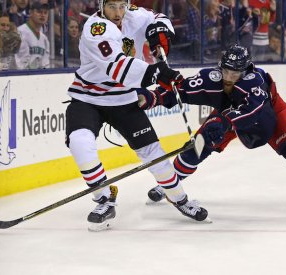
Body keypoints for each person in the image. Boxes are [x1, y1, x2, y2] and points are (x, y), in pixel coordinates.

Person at [138, 45, 286, 220]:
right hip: (228, 116)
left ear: (246, 70)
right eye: (226, 70)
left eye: (235, 72)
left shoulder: (255, 82)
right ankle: (169, 185)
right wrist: (152, 98)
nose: (229, 77)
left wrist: (223, 123)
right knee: (198, 146)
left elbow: (252, 111)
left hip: (268, 113)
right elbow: (182, 90)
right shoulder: (212, 78)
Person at [65, 0, 209, 231]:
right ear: (102, 5)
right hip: (88, 98)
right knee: (80, 142)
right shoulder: (96, 28)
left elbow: (159, 18)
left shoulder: (134, 15)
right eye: (112, 6)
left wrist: (159, 31)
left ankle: (180, 199)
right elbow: (117, 66)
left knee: (153, 152)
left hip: (123, 99)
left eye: (122, 5)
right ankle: (104, 198)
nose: (118, 13)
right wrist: (157, 73)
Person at [15, 1, 50, 69]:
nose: (43, 15)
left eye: (45, 13)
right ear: (30, 12)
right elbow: (19, 63)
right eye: (39, 12)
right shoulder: (20, 32)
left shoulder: (45, 39)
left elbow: (45, 65)